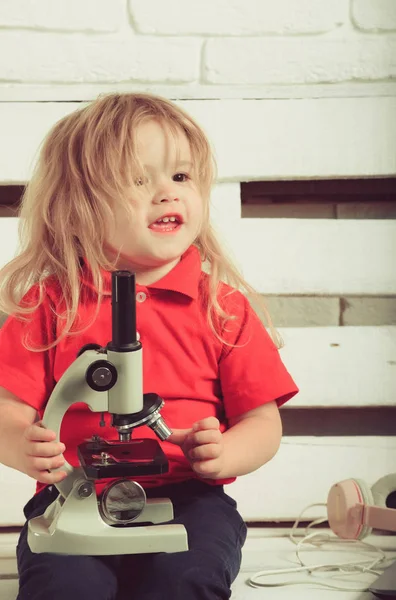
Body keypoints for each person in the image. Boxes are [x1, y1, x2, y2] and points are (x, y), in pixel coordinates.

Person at [0, 93, 298, 600]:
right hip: (72, 492)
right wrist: (20, 443)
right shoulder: (51, 306)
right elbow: (7, 407)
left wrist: (226, 453)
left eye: (180, 177)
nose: (167, 194)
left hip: (190, 499)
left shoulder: (222, 310)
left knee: (185, 581)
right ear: (77, 207)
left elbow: (263, 422)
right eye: (138, 181)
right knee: (65, 586)